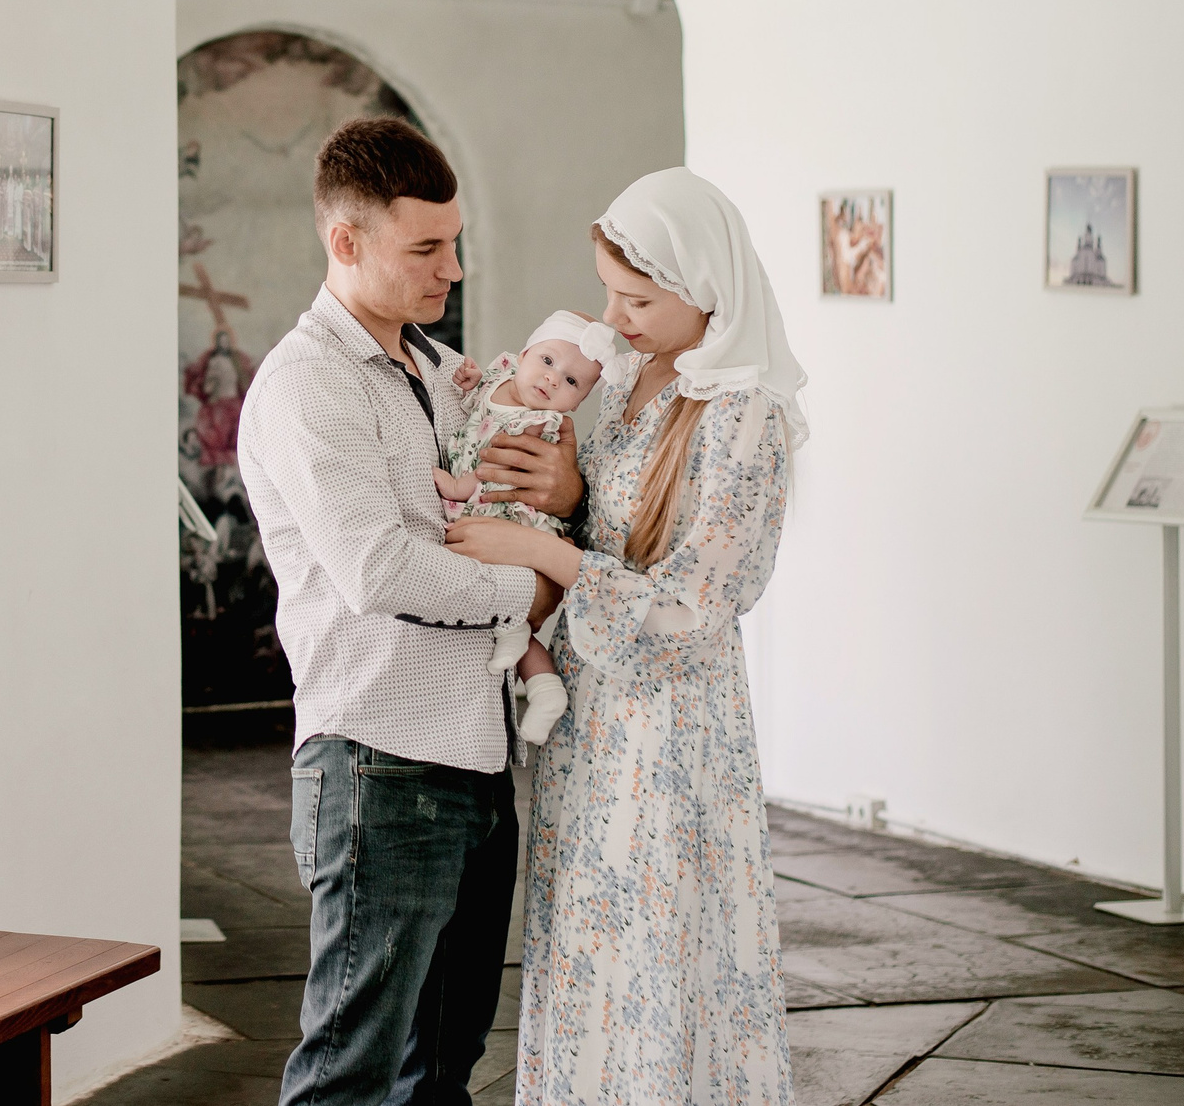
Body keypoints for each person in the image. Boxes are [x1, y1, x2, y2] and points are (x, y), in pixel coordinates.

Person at [442, 167, 807, 1104]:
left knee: (657, 954)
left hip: (672, 735)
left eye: (637, 297)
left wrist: (537, 548)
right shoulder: (634, 378)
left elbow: (693, 606)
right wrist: (565, 499)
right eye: (608, 291)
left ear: (707, 288)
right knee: (586, 953)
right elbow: (620, 526)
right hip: (594, 726)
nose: (615, 316)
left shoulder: (744, 412)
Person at [237, 117, 583, 1106]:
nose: (453, 267)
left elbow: (499, 505)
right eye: (425, 247)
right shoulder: (308, 384)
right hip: (378, 764)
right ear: (344, 241)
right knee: (349, 1078)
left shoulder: (438, 371)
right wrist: (534, 584)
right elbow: (379, 570)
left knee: (439, 1076)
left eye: (456, 241)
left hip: (475, 763)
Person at [431, 310, 622, 747]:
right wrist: (471, 382)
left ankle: (531, 668)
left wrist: (461, 485)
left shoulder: (541, 425)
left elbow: (501, 465)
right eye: (549, 362)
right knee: (507, 615)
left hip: (511, 517)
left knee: (502, 601)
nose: (554, 380)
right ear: (523, 355)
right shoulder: (501, 374)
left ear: (576, 404)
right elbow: (475, 402)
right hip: (491, 518)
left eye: (573, 382)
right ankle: (545, 688)